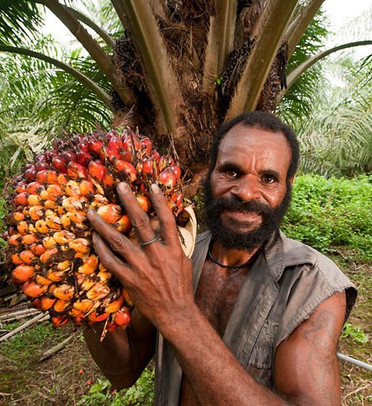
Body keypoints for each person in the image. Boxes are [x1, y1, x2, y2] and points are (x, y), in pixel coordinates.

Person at [85, 111, 357, 405]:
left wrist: (177, 312)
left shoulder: (313, 285)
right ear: (210, 173)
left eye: (268, 179)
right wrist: (88, 287)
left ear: (287, 186)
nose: (246, 192)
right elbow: (123, 373)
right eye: (231, 172)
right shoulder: (178, 257)